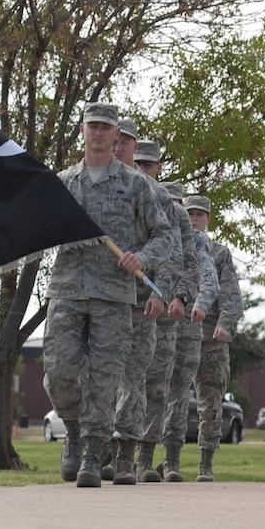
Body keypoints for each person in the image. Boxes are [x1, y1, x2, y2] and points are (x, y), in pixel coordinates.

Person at [43, 102, 175, 488]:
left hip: (115, 296)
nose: (99, 133)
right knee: (59, 372)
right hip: (67, 290)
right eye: (92, 126)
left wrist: (143, 258)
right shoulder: (63, 182)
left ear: (117, 135)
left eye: (106, 127)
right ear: (82, 131)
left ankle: (90, 457)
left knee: (105, 379)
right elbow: (40, 229)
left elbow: (164, 235)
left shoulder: (136, 185)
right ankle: (74, 429)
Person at [106, 121, 189, 485]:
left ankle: (132, 457)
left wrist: (163, 293)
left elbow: (176, 255)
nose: (140, 166)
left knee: (140, 382)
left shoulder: (162, 201)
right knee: (99, 378)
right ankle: (98, 451)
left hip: (143, 303)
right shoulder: (99, 187)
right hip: (104, 298)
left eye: (148, 162)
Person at [133, 141, 212, 482]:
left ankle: (155, 459)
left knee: (161, 390)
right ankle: (112, 455)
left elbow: (199, 273)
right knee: (123, 383)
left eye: (149, 165)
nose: (142, 171)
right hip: (127, 307)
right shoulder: (129, 210)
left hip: (169, 322)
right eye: (139, 164)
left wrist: (188, 301)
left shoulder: (188, 235)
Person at [184, 195, 243, 482]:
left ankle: (205, 462)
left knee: (210, 401)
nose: (194, 218)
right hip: (178, 334)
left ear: (208, 219)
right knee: (168, 399)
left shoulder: (220, 254)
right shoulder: (173, 247)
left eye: (199, 214)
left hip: (210, 337)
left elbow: (231, 295)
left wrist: (224, 324)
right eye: (189, 213)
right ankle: (165, 461)